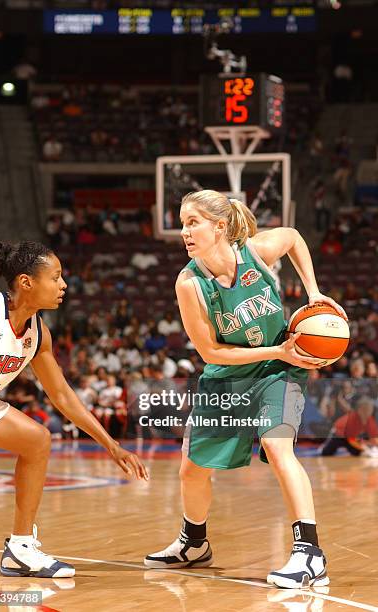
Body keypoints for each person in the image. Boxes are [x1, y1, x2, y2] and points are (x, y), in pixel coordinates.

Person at [144, 190, 347, 589]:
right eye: (183, 223)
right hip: (231, 375)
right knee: (192, 471)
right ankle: (194, 543)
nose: (184, 232)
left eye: (192, 222)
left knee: (276, 445)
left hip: (278, 371)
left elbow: (292, 236)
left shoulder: (254, 251)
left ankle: (309, 554)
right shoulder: (189, 283)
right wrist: (281, 348)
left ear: (220, 227)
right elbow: (210, 351)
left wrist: (313, 291)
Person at [0, 241, 148, 579]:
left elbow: (63, 396)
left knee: (37, 440)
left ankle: (20, 548)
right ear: (27, 282)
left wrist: (111, 445)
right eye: (55, 277)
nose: (63, 285)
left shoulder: (38, 334)